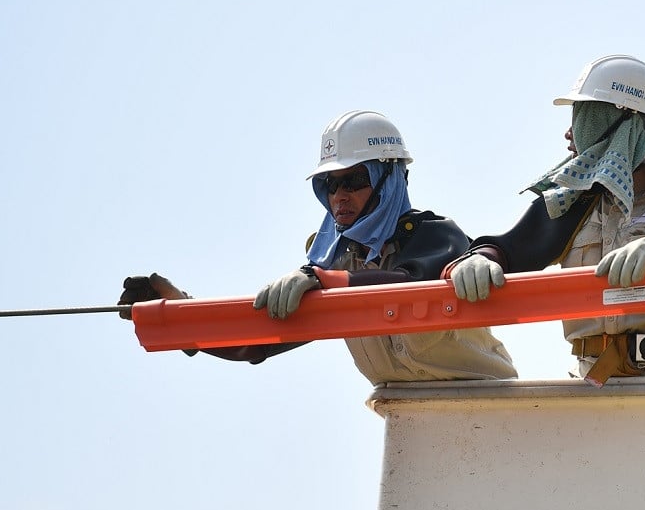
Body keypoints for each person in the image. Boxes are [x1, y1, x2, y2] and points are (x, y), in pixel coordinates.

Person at [117, 110, 517, 383]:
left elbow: (403, 284)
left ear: (389, 179)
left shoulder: (435, 237)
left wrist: (327, 281)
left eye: (354, 180)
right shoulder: (336, 263)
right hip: (408, 414)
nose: (339, 196)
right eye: (328, 185)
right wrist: (179, 316)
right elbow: (257, 341)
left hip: (492, 404)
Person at [443, 55, 645, 385]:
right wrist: (478, 260)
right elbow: (510, 250)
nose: (569, 134)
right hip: (590, 379)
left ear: (618, 122)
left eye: (582, 117)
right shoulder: (573, 202)